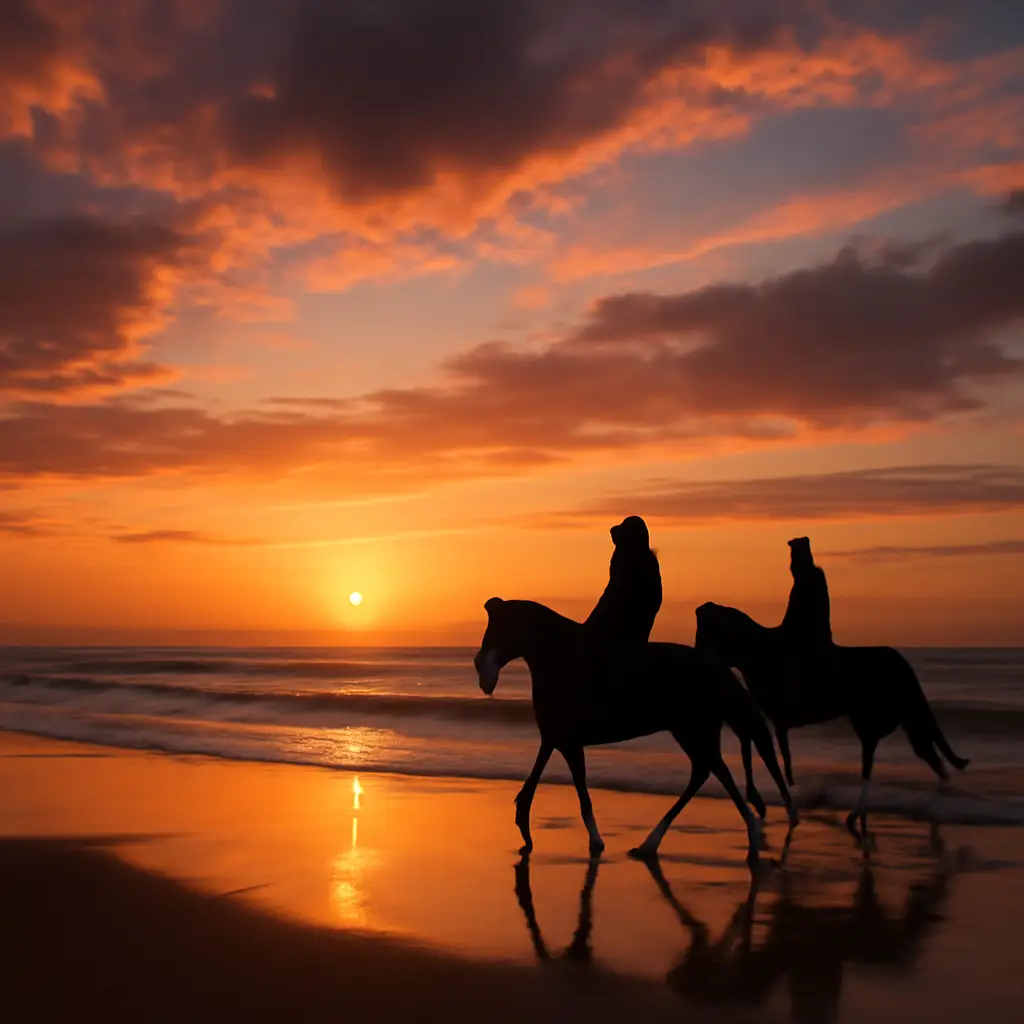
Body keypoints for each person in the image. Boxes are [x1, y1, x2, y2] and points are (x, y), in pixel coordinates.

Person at [582, 515, 662, 699]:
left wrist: (596, 620)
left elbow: (617, 593)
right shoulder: (632, 557)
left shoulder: (633, 560)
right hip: (630, 618)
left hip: (629, 622)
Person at [780, 536, 835, 707]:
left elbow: (800, 614)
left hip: (809, 636)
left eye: (794, 558)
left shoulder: (809, 580)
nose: (791, 566)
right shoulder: (808, 579)